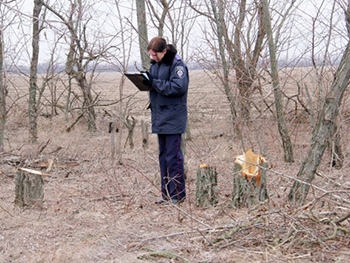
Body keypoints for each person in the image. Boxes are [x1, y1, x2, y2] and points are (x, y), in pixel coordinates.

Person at [146, 37, 189, 205]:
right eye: (151, 55)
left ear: (164, 51)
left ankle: (178, 195)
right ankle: (166, 194)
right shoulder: (155, 64)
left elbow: (178, 87)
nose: (153, 58)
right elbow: (155, 83)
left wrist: (154, 83)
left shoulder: (177, 65)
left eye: (155, 55)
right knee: (163, 157)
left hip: (173, 117)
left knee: (173, 157)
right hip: (160, 116)